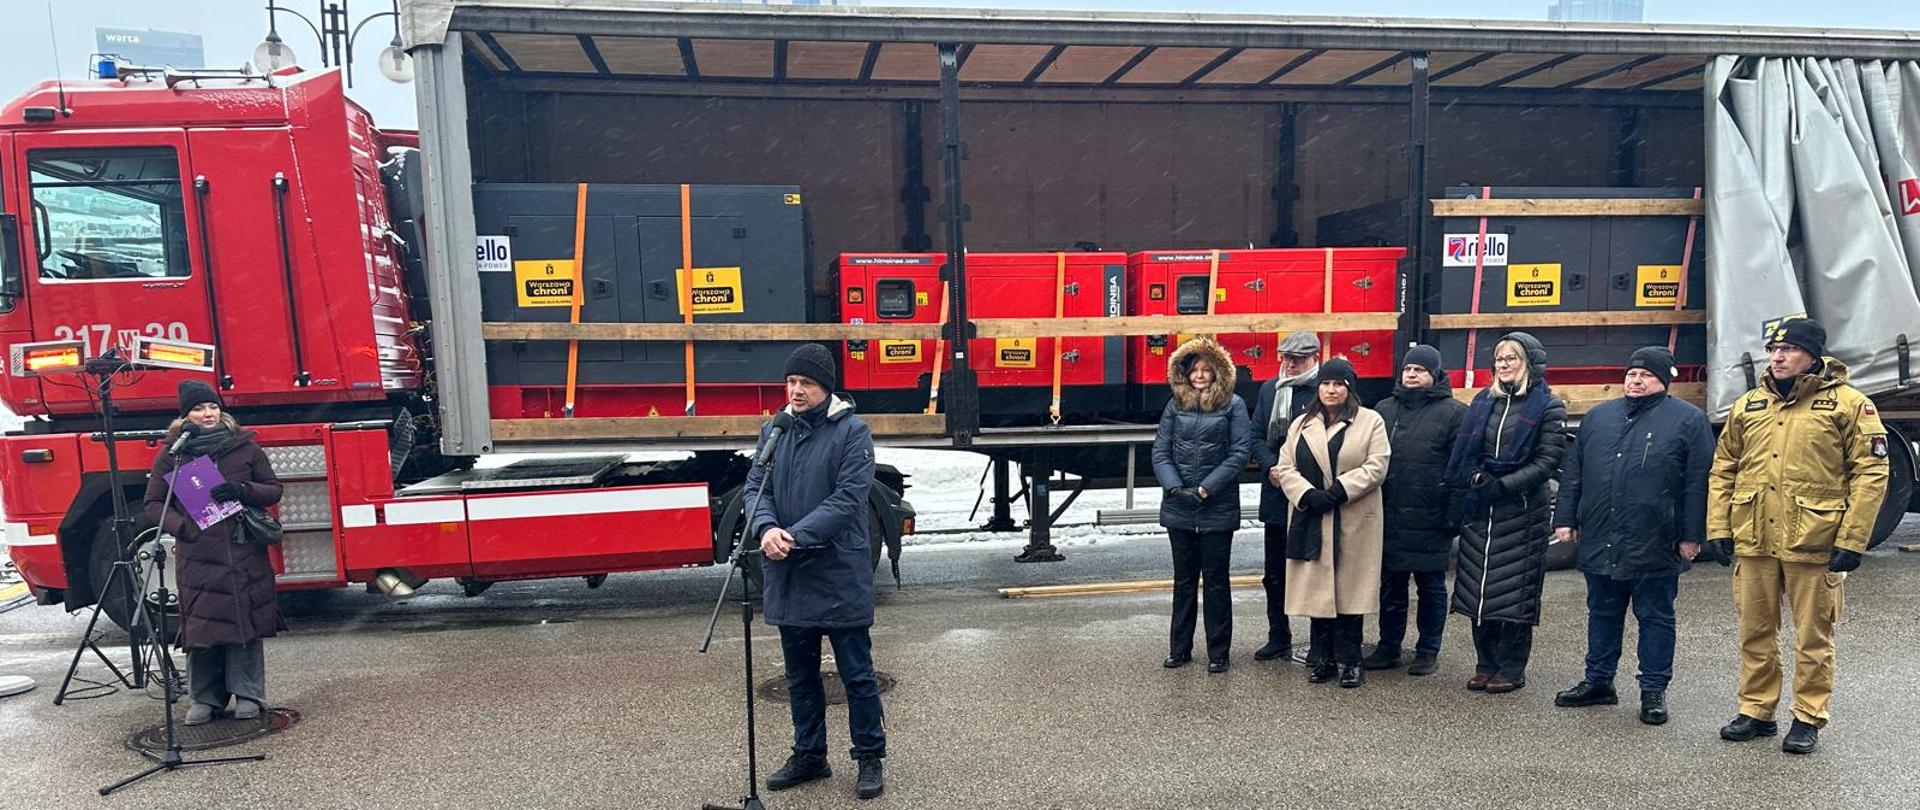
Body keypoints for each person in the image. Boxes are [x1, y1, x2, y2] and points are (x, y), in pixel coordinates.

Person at [1706, 318, 1888, 755]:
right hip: (1755, 540)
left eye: (1787, 350)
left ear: (1813, 355)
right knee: (1755, 631)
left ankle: (1808, 716)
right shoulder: (1749, 405)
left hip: (1815, 541)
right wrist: (1718, 525)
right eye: (1773, 350)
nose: (1777, 357)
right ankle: (1756, 710)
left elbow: (1871, 472)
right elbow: (1724, 468)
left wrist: (1852, 538)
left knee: (1813, 638)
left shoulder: (1848, 405)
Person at [748, 344, 889, 799]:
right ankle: (810, 756)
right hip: (790, 574)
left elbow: (848, 500)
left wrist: (794, 536)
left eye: (806, 383)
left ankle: (869, 756)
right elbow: (756, 486)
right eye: (791, 382)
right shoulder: (775, 430)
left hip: (837, 572)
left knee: (857, 675)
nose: (796, 390)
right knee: (800, 676)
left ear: (826, 388)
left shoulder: (852, 432)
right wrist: (767, 528)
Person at [1551, 347, 1716, 725]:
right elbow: (1574, 474)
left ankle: (1653, 690)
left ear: (1663, 380)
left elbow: (1697, 484)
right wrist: (1565, 517)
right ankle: (1599, 682)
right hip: (1602, 534)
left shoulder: (1688, 421)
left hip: (1656, 538)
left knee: (1655, 616)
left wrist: (1693, 535)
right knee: (1602, 612)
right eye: (1631, 374)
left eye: (1645, 375)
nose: (1635, 381)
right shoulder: (1598, 418)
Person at [142, 380, 284, 726]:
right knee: (203, 627)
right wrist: (183, 528)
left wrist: (243, 490)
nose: (208, 414)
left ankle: (249, 693)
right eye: (199, 408)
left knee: (244, 622)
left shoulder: (246, 447)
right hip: (199, 553)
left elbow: (273, 490)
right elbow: (153, 502)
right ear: (185, 415)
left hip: (242, 549)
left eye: (213, 407)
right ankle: (205, 698)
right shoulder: (174, 453)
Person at [1445, 332, 1568, 694]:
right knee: (1477, 591)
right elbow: (1466, 453)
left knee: (1514, 593)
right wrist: (1476, 477)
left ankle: (1511, 667)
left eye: (1511, 358)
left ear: (1529, 363)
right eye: (1499, 359)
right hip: (1480, 510)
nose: (1503, 365)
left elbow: (1547, 461)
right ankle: (1484, 663)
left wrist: (1504, 485)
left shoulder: (1547, 406)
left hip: (1521, 511)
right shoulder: (1484, 401)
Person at [1276, 358, 1391, 688]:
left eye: (1338, 384)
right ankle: (1322, 657)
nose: (1331, 389)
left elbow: (1377, 465)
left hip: (1352, 518)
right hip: (1311, 516)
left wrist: (1340, 490)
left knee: (1349, 594)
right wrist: (1307, 494)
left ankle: (1352, 661)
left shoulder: (1370, 421)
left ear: (1349, 387)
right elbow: (1286, 466)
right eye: (1326, 383)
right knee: (1318, 593)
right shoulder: (1301, 423)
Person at [1361, 345, 1465, 677]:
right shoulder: (1383, 409)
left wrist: (1453, 514)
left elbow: (1459, 468)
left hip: (1430, 515)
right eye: (1407, 369)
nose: (1411, 374)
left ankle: (1427, 649)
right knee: (1391, 586)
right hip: (1389, 514)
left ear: (1433, 374)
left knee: (1431, 586)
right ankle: (1389, 646)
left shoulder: (1454, 413)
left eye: (1419, 370)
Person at [1152, 337, 1254, 674]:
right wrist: (1175, 487)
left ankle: (1218, 652)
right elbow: (1161, 451)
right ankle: (1179, 649)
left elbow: (1239, 453)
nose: (1199, 375)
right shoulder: (1175, 405)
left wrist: (1207, 489)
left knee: (1215, 582)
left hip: (1216, 507)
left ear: (1218, 373)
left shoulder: (1233, 405)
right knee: (1183, 582)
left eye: (1206, 369)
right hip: (1179, 507)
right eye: (1194, 369)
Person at [1251, 332, 1322, 662]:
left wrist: (1298, 476)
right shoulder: (1270, 389)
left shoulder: (1325, 388)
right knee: (1275, 573)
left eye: (1298, 359)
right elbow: (1256, 436)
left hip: (1310, 494)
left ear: (1314, 358)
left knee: (1314, 571)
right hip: (1277, 493)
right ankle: (1278, 635)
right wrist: (1270, 468)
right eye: (1286, 358)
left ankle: (1320, 642)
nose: (1290, 364)